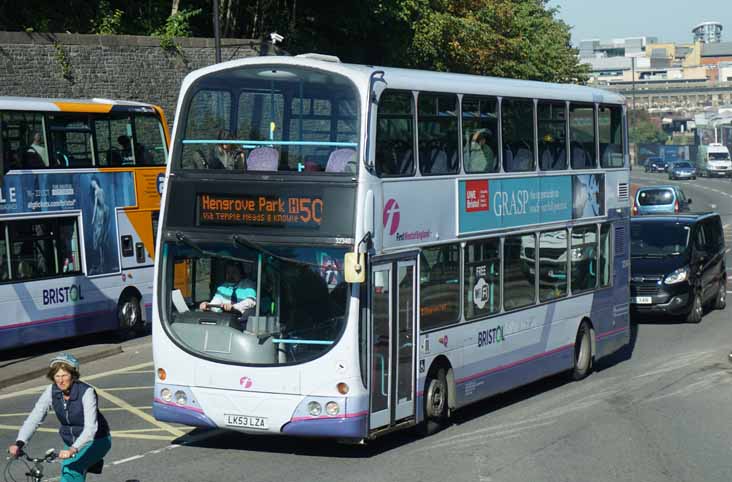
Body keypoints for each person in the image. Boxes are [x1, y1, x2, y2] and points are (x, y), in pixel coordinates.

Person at [7, 353, 111, 482]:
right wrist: (19, 443)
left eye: (64, 375)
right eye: (57, 376)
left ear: (73, 375)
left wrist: (73, 449)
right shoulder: (51, 391)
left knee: (71, 470)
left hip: (96, 440)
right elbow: (35, 417)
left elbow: (91, 428)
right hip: (72, 443)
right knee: (68, 472)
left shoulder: (86, 392)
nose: (60, 380)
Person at [89, 176, 109, 273]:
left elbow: (96, 206)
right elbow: (104, 203)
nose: (92, 184)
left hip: (99, 214)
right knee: (101, 238)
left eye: (92, 182)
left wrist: (93, 219)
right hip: (104, 212)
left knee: (98, 238)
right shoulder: (102, 190)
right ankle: (102, 260)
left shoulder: (96, 192)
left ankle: (101, 261)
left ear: (95, 181)